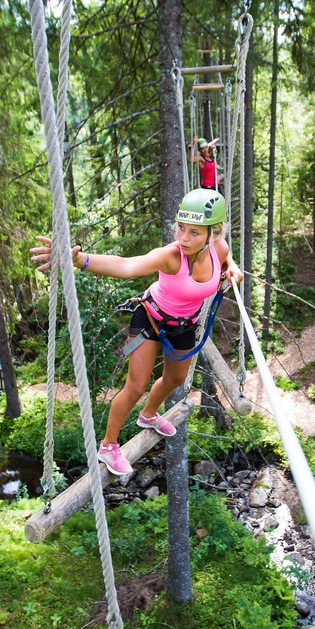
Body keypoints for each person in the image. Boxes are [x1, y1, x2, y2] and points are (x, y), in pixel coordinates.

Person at [30, 189, 242, 476]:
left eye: (194, 233)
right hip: (150, 320)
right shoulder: (171, 256)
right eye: (181, 228)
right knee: (136, 385)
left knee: (176, 379)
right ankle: (107, 446)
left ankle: (149, 415)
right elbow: (127, 265)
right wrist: (82, 261)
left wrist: (233, 269)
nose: (183, 238)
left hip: (184, 325)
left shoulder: (220, 249)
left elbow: (227, 261)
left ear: (212, 234)